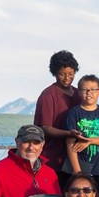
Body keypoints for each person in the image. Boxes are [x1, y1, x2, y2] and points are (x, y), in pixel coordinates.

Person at [34, 50, 87, 188]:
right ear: (54, 73)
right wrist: (69, 134)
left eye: (70, 74)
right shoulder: (48, 95)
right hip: (53, 158)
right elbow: (44, 128)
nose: (66, 78)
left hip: (76, 157)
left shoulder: (78, 94)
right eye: (62, 74)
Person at [64, 74, 99, 196]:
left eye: (93, 89)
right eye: (84, 89)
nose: (89, 92)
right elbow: (70, 143)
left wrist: (89, 141)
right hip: (80, 164)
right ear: (79, 92)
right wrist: (77, 171)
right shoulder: (74, 113)